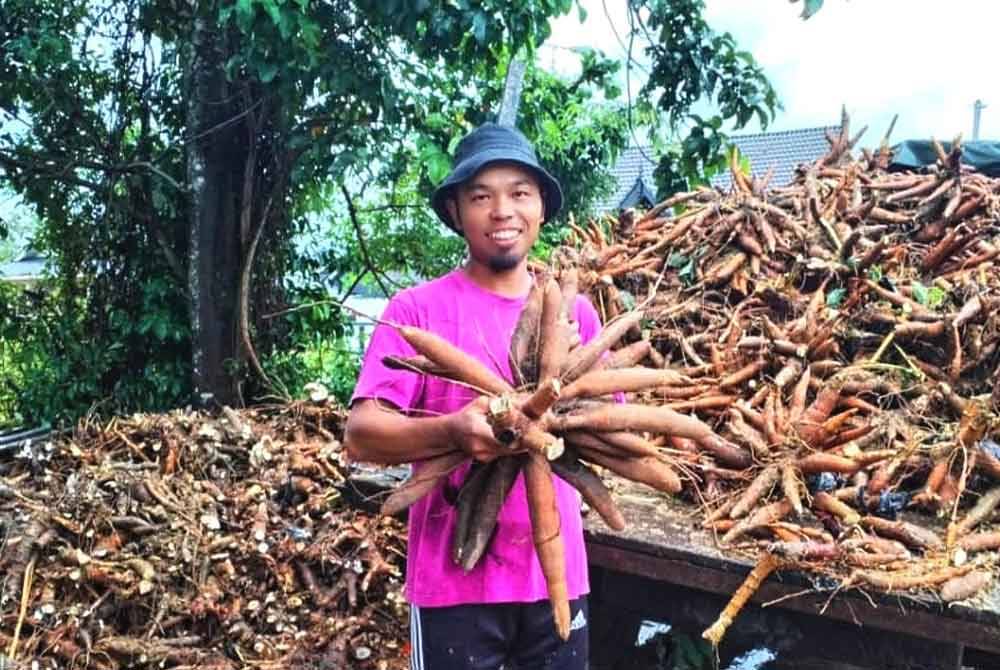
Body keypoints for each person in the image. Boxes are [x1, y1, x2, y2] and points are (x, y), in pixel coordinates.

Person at [345, 122, 601, 670]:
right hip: (452, 585)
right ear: (457, 213)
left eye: (519, 193)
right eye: (481, 196)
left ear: (541, 209)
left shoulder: (574, 315)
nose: (502, 210)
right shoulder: (415, 311)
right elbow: (361, 435)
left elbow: (608, 432)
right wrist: (451, 432)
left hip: (555, 580)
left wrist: (567, 388)